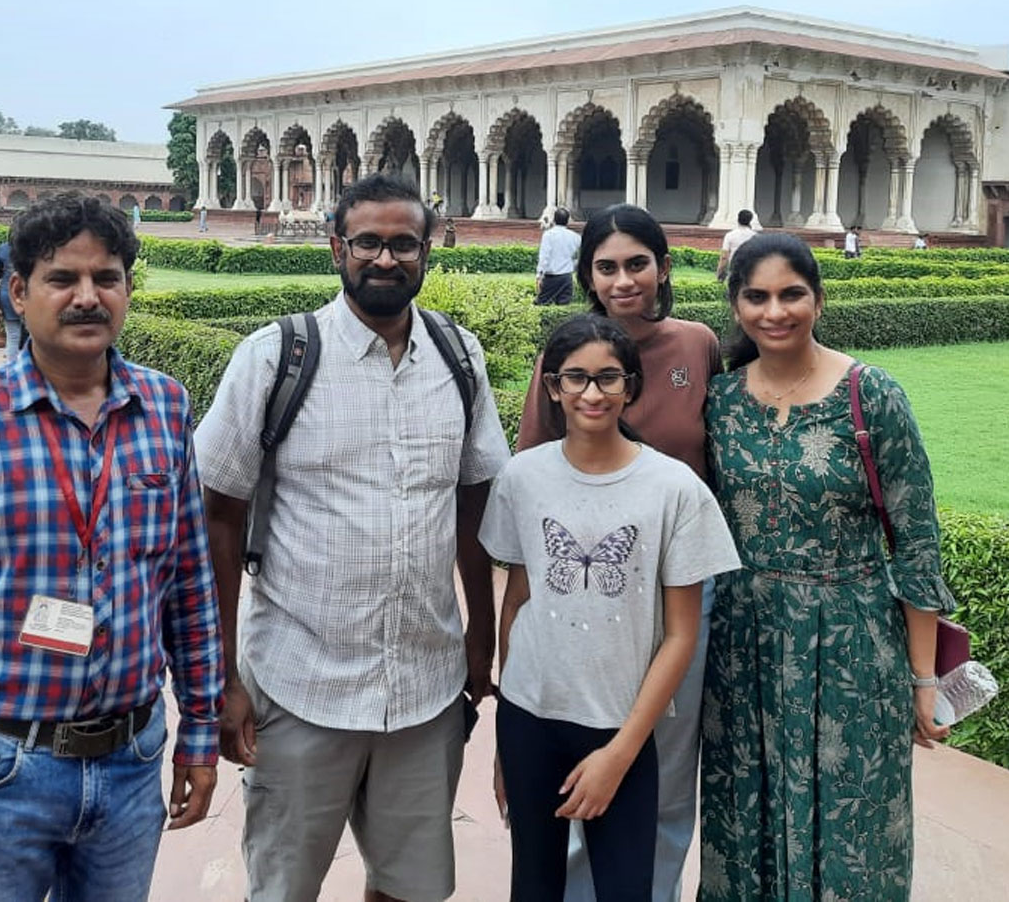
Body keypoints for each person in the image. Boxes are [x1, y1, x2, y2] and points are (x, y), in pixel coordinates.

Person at [0, 193, 223, 902]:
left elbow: (187, 587)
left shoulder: (165, 408)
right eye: (63, 279)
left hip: (130, 760)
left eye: (107, 278)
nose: (88, 297)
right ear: (18, 293)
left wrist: (200, 729)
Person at [194, 173, 511, 902]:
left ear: (428, 251)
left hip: (424, 686)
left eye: (404, 243)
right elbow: (219, 513)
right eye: (368, 241)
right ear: (338, 247)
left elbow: (470, 506)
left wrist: (480, 636)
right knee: (283, 887)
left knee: (413, 888)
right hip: (302, 682)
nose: (386, 259)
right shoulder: (276, 357)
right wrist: (223, 672)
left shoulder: (459, 358)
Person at [699, 232, 955, 901]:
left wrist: (923, 680)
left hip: (851, 646)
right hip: (742, 648)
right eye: (756, 296)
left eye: (792, 294)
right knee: (743, 819)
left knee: (854, 828)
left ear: (818, 298)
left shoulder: (872, 397)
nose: (774, 312)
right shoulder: (720, 402)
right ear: (735, 303)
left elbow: (919, 543)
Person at [486, 315, 738, 902]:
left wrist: (620, 753)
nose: (592, 394)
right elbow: (519, 600)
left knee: (626, 887)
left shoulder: (674, 489)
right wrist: (505, 731)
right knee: (534, 885)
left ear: (631, 386)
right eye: (575, 379)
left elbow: (680, 635)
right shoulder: (522, 478)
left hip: (620, 725)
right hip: (531, 719)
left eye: (608, 378)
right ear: (552, 387)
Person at [535, 206, 582, 305]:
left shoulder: (548, 235)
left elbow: (544, 257)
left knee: (541, 304)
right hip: (566, 277)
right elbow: (585, 251)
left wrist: (539, 275)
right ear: (568, 221)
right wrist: (575, 263)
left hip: (551, 277)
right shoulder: (575, 237)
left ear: (554, 220)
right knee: (564, 306)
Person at [0, 239, 24, 361]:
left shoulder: (4, 248)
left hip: (7, 294)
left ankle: (11, 368)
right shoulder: (37, 246)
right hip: (31, 294)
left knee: (13, 336)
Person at [714, 208, 757, 280]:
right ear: (750, 221)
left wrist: (720, 272)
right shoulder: (755, 236)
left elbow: (724, 257)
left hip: (735, 268)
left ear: (738, 219)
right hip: (750, 270)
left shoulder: (730, 235)